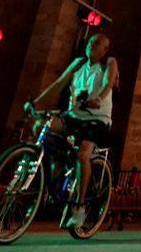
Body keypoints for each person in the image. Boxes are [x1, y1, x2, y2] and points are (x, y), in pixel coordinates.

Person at [26, 33, 118, 230]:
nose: (92, 45)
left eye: (98, 44)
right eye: (91, 42)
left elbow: (108, 83)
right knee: (40, 126)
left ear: (105, 50)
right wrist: (36, 102)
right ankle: (52, 167)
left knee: (83, 154)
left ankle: (79, 206)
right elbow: (58, 84)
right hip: (74, 115)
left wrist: (98, 99)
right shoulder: (77, 64)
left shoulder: (110, 63)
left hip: (96, 118)